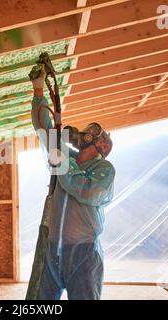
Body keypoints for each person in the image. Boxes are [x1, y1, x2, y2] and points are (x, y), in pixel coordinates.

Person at [30, 65, 115, 300]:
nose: (85, 135)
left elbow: (86, 191)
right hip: (52, 252)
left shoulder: (104, 170)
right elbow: (44, 129)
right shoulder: (64, 156)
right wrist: (39, 91)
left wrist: (61, 161)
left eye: (93, 134)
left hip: (84, 254)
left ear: (103, 147)